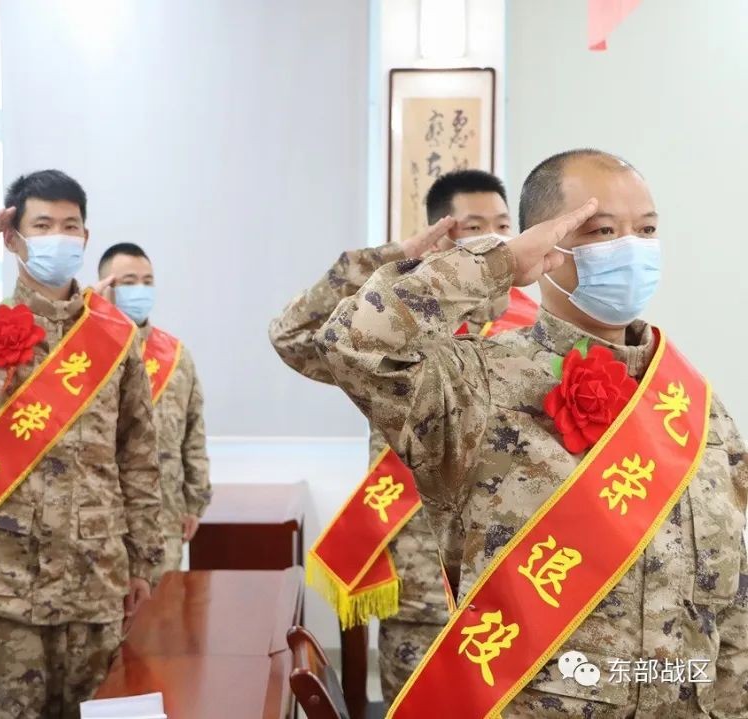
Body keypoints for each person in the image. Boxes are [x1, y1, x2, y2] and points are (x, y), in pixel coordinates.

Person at [315, 150, 747, 717]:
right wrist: (496, 263)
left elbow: (733, 605)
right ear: (546, 244)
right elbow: (351, 344)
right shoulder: (473, 384)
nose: (632, 249)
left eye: (646, 230)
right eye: (601, 231)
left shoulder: (693, 405)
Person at [0, 170, 163, 719]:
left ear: (86, 238)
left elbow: (137, 457)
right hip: (0, 591)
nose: (58, 237)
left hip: (96, 585)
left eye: (70, 226)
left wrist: (144, 563)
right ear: (13, 240)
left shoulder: (115, 340)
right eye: (42, 225)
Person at [268, 169, 536, 702]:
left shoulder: (537, 331)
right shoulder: (392, 334)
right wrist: (389, 258)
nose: (494, 238)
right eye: (475, 227)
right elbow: (292, 336)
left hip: (514, 581)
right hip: (422, 585)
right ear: (442, 237)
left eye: (504, 225)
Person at [96, 242, 212, 572]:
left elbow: (193, 432)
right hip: (99, 521)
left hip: (164, 516)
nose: (141, 290)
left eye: (148, 282)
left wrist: (194, 502)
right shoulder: (86, 352)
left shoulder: (175, 356)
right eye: (129, 282)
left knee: (164, 604)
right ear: (106, 285)